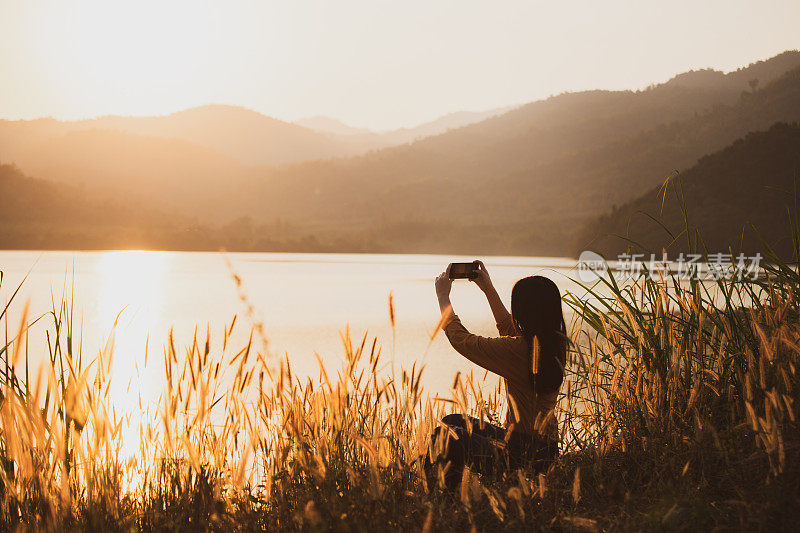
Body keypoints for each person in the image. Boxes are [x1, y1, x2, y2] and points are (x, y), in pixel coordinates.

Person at [424, 261, 567, 489]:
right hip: (544, 450)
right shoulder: (555, 343)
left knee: (446, 435)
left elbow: (464, 342)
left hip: (521, 457)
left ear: (524, 312)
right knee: (454, 422)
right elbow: (509, 328)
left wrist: (443, 297)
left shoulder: (520, 350)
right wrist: (488, 289)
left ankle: (443, 500)